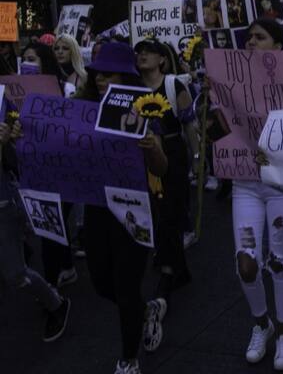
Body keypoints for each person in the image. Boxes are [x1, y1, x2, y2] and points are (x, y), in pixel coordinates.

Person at [75, 41, 169, 374]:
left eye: (109, 74)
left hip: (133, 208)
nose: (101, 80)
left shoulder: (145, 109)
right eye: (97, 74)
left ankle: (128, 360)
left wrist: (150, 148)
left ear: (126, 78)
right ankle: (147, 311)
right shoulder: (80, 107)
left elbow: (161, 168)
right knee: (101, 282)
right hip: (97, 207)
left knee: (127, 287)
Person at [238, 18, 283, 370]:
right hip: (245, 184)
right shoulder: (229, 79)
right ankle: (260, 323)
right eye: (248, 37)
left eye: (259, 37)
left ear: (277, 46)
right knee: (246, 261)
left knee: (279, 260)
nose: (251, 42)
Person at [134, 38, 197, 325]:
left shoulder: (174, 86)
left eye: (149, 51)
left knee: (170, 210)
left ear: (162, 59)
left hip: (172, 153)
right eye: (139, 52)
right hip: (142, 155)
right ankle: (177, 267)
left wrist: (197, 159)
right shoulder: (130, 88)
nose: (142, 55)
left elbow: (189, 124)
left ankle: (169, 273)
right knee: (153, 211)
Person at [0, 119, 71, 343]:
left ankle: (55, 303)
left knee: (16, 275)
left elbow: (18, 160)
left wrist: (5, 144)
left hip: (4, 207)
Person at [20, 42, 79, 288]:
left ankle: (51, 283)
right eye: (24, 59)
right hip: (34, 166)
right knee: (48, 223)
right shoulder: (14, 92)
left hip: (62, 166)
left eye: (32, 59)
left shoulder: (66, 89)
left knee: (53, 222)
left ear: (45, 61)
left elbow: (75, 128)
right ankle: (65, 267)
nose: (27, 64)